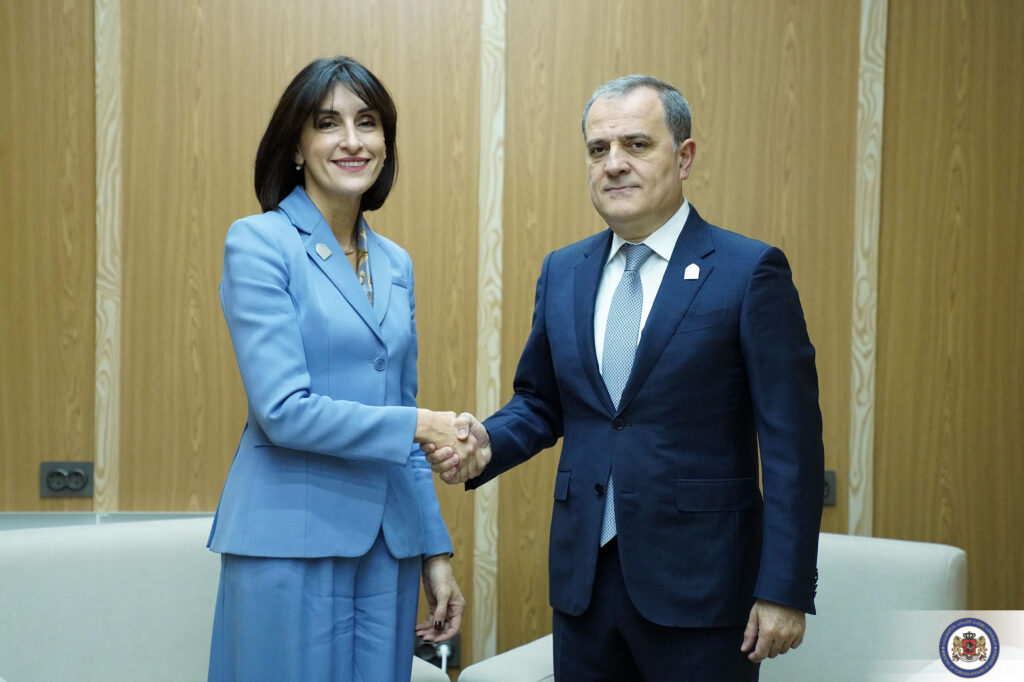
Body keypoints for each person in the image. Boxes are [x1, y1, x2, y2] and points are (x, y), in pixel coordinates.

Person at [425, 75, 824, 681]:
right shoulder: (564, 270)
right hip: (584, 584)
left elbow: (792, 444)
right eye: (598, 149)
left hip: (703, 588)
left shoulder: (748, 272)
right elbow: (542, 401)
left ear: (683, 157)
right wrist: (487, 442)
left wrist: (784, 587)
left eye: (636, 144)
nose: (614, 164)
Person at [206, 55, 466, 682]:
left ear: (386, 143)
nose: (352, 140)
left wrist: (434, 550)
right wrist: (421, 424)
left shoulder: (395, 262)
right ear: (297, 146)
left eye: (367, 123)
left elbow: (401, 408)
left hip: (389, 547)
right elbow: (282, 412)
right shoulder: (259, 241)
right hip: (288, 537)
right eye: (328, 123)